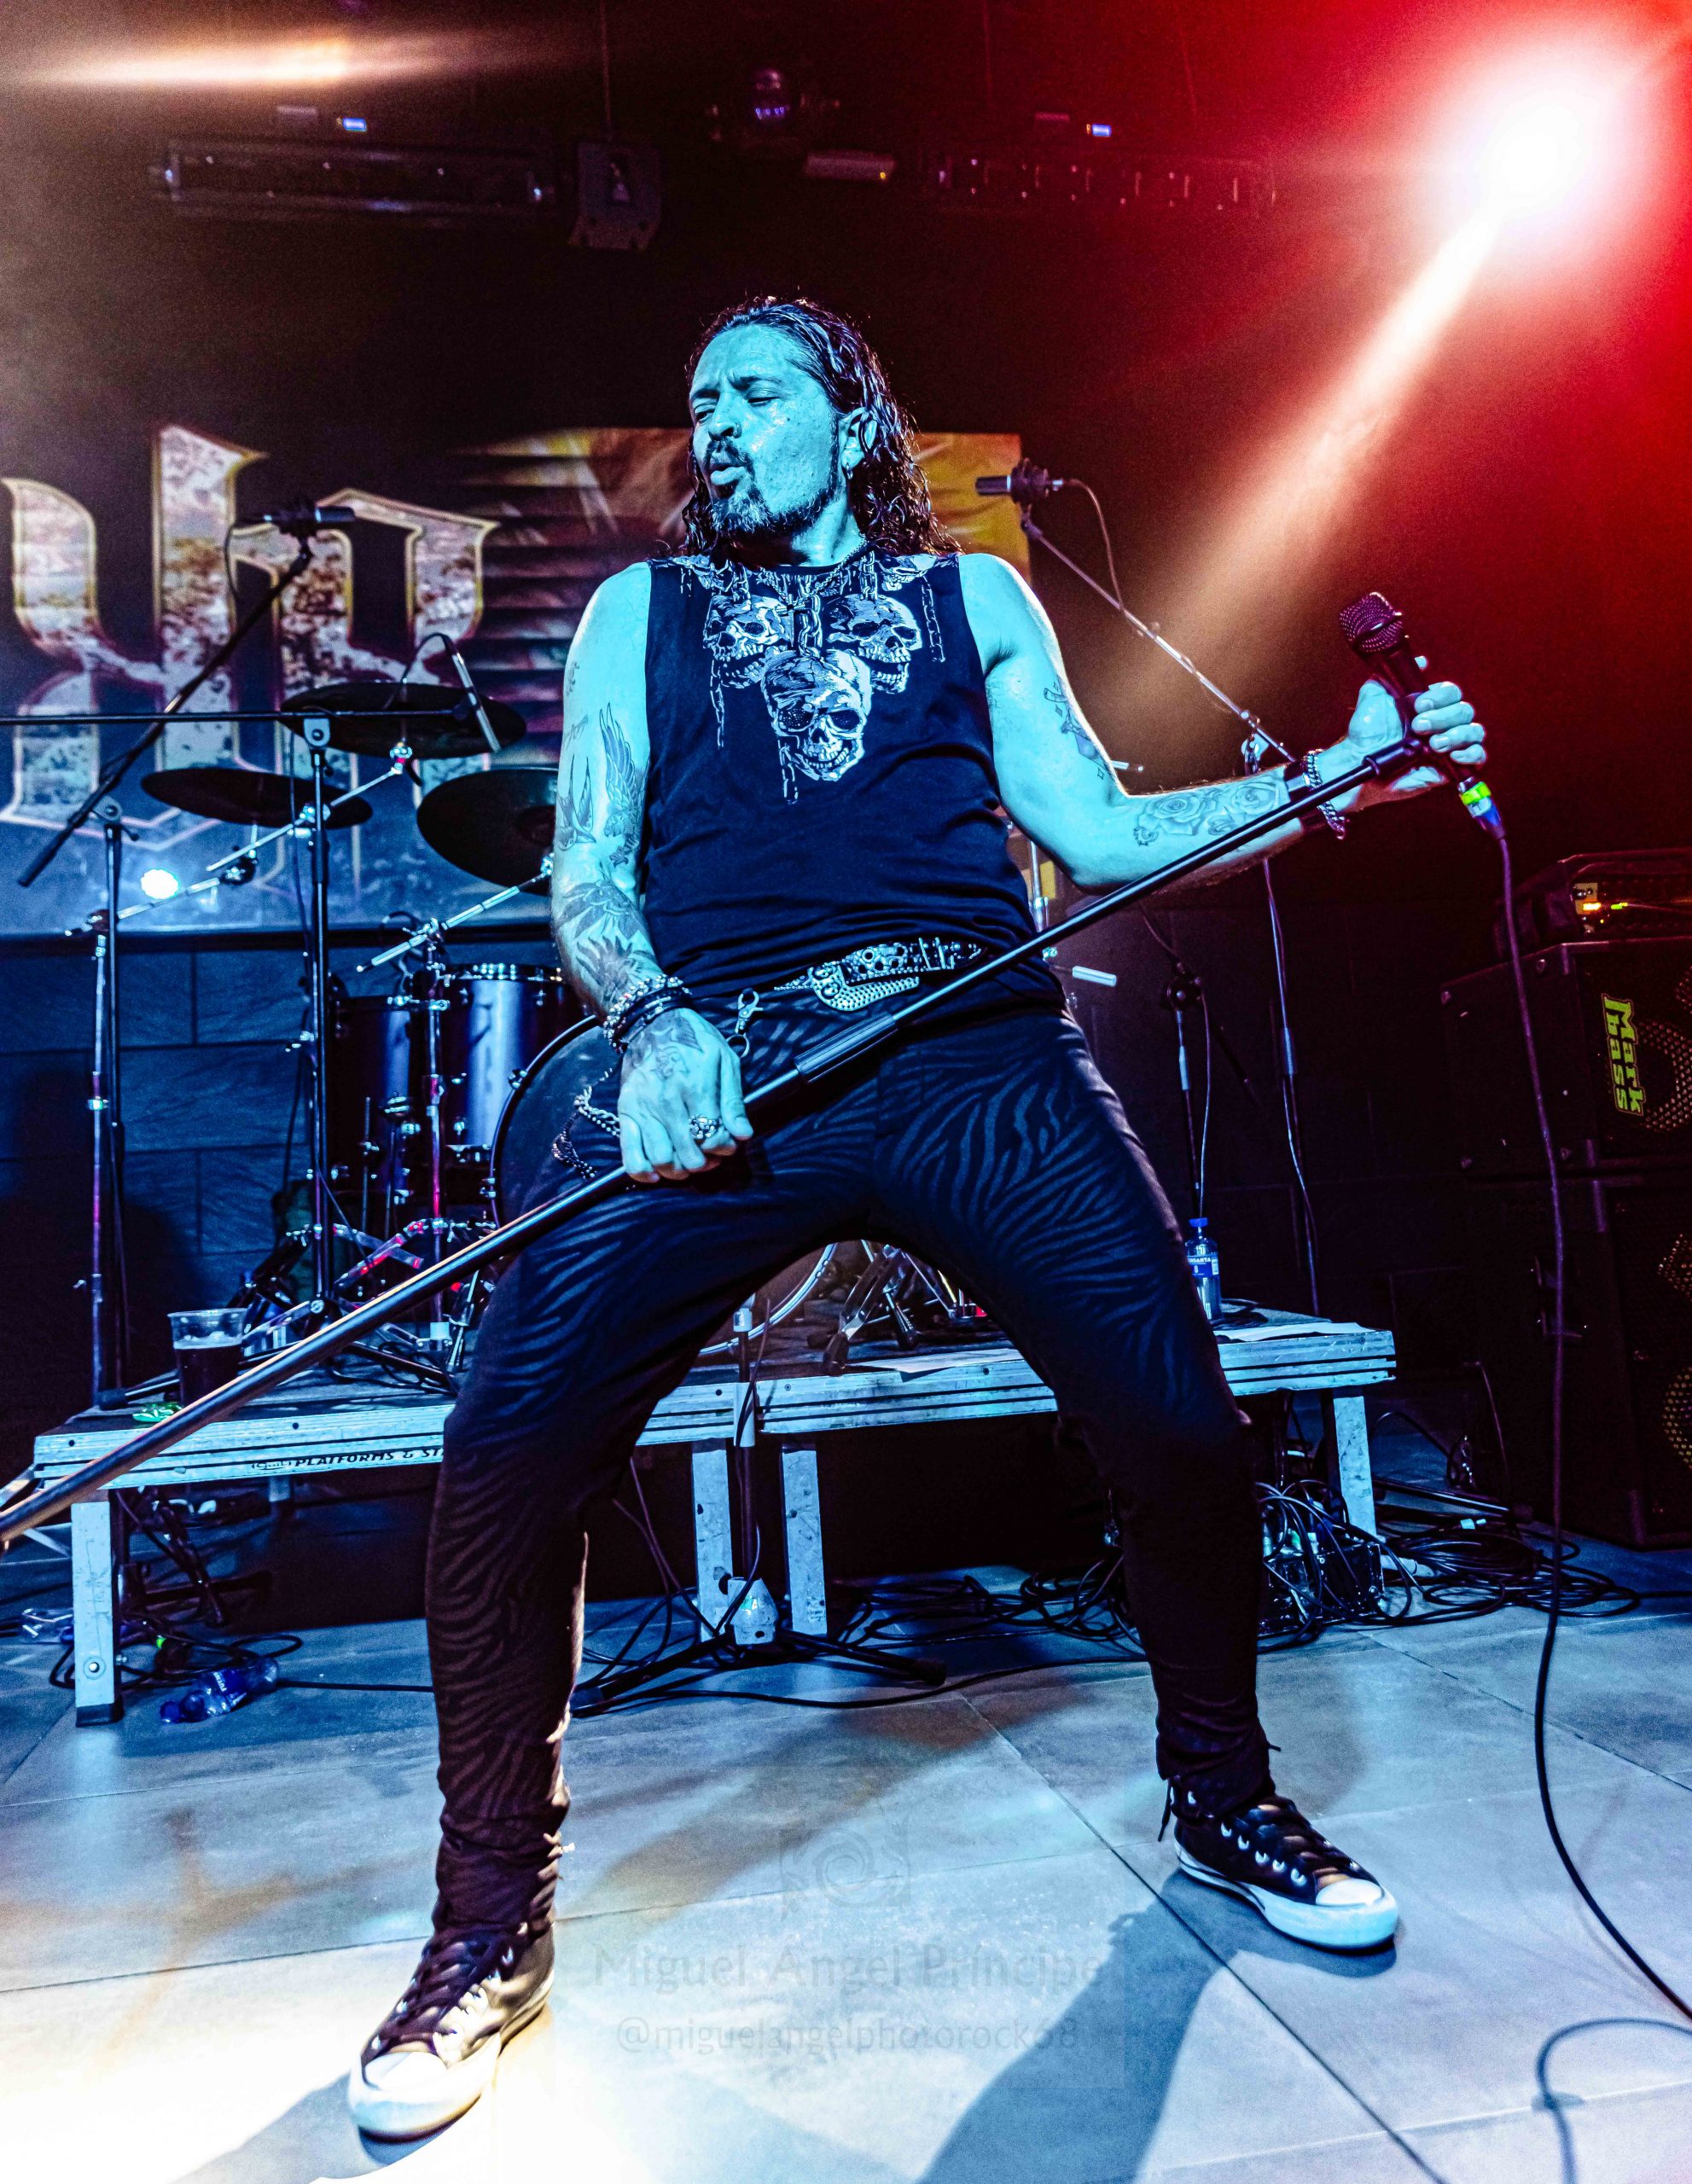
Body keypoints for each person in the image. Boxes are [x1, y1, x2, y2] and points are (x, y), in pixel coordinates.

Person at [347, 295, 1488, 2139]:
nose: (719, 421)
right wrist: (652, 1022)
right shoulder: (641, 612)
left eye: (757, 388)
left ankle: (1221, 1797)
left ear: (850, 413)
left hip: (975, 1055)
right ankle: (487, 1928)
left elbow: (1096, 834)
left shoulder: (978, 599)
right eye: (699, 396)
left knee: (1182, 1423)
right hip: (737, 1059)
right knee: (505, 1445)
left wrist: (1328, 780)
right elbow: (588, 866)